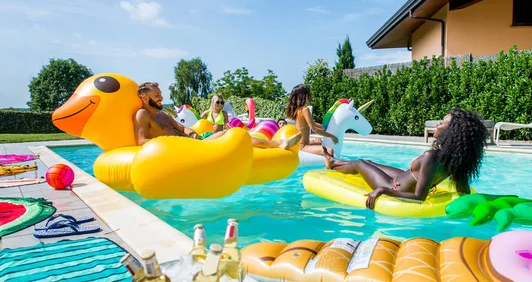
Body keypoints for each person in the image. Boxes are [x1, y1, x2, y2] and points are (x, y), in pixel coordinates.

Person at [323, 109, 487, 209]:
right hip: (403, 176)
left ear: (451, 133)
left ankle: (332, 164)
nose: (437, 124)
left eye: (442, 123)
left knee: (360, 163)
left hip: (393, 185)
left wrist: (384, 190)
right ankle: (334, 161)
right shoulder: (455, 160)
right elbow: (463, 192)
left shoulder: (432, 156)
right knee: (370, 162)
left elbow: (419, 197)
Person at [134, 83, 302, 149]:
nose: (161, 97)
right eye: (157, 95)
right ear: (144, 97)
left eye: (160, 94)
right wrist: (172, 143)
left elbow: (182, 127)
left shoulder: (163, 115)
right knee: (232, 136)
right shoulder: (142, 114)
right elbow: (141, 141)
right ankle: (278, 144)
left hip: (194, 141)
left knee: (233, 134)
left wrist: (191, 133)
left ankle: (276, 144)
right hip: (180, 148)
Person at [286, 84, 338, 155]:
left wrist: (322, 126)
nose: (309, 96)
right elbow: (314, 129)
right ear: (303, 96)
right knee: (330, 151)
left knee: (319, 141)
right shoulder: (305, 109)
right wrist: (332, 136)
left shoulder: (297, 110)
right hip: (302, 146)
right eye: (308, 94)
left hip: (299, 144)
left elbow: (310, 123)